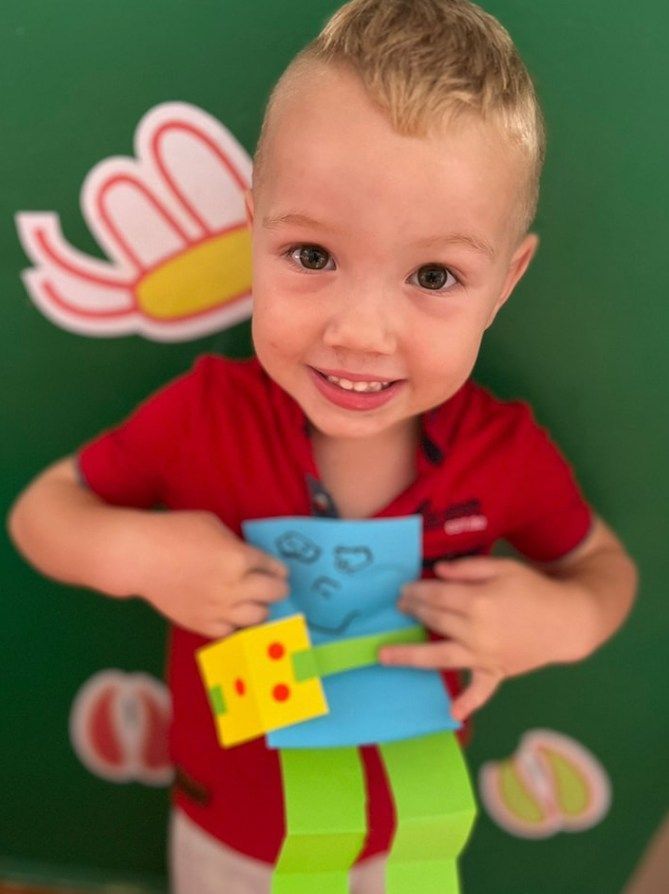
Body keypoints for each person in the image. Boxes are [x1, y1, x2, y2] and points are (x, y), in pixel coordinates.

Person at [7, 1, 638, 892]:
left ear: (506, 281)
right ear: (254, 228)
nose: (361, 331)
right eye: (310, 255)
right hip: (229, 837)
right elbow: (42, 514)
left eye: (433, 277)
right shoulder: (204, 416)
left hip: (409, 840)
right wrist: (138, 552)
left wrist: (560, 620)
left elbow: (604, 570)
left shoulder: (502, 452)